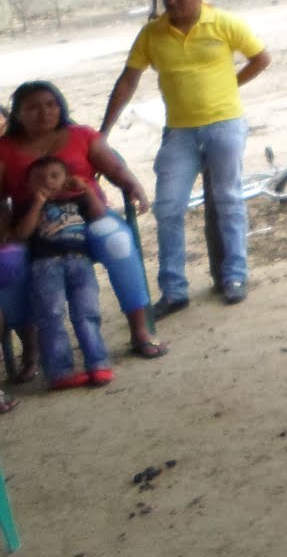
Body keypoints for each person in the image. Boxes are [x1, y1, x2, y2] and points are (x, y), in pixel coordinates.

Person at [100, 0, 271, 316]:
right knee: (168, 207)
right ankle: (174, 290)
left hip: (224, 125)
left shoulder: (224, 23)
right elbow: (129, 79)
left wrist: (230, 86)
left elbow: (261, 58)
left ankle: (235, 276)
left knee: (227, 200)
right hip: (179, 132)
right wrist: (104, 131)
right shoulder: (152, 33)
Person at [0, 81, 166, 365]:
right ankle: (31, 348)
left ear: (61, 106)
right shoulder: (4, 148)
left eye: (51, 104)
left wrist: (133, 187)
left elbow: (115, 168)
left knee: (118, 242)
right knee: (8, 262)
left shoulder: (82, 135)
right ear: (18, 114)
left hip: (87, 214)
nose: (44, 112)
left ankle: (140, 331)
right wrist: (4, 230)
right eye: (33, 107)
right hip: (31, 223)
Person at [12, 157, 113, 390]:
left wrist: (86, 188)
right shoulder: (28, 206)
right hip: (45, 265)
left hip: (80, 261)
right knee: (52, 315)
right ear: (28, 185)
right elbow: (21, 235)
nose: (47, 181)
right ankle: (59, 372)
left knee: (87, 312)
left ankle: (98, 363)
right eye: (38, 178)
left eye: (55, 176)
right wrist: (37, 205)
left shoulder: (77, 201)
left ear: (66, 179)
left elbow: (99, 213)